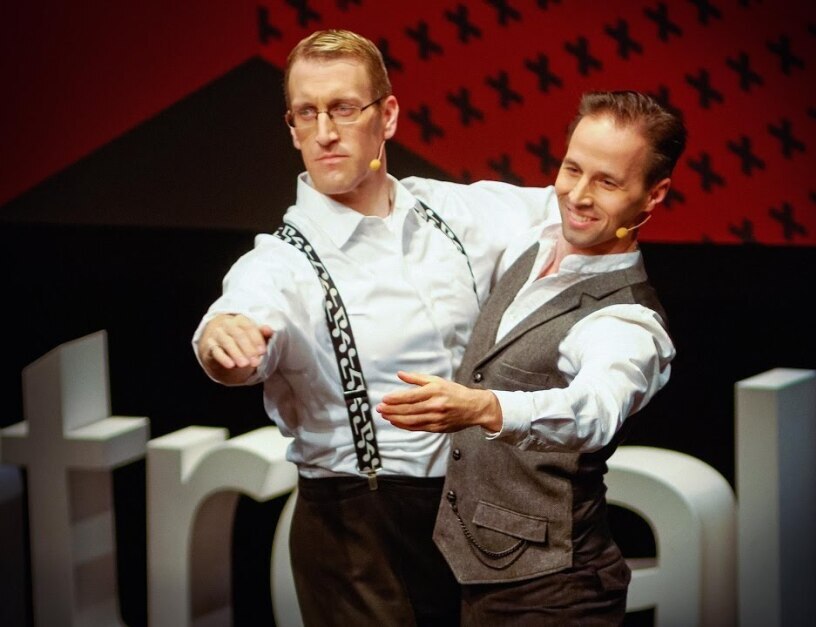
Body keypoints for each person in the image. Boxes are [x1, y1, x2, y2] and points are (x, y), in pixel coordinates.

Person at [191, 29, 556, 626]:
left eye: (342, 108)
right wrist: (222, 340)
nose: (324, 132)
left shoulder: (453, 214)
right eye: (306, 113)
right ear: (292, 128)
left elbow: (575, 210)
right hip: (358, 535)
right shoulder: (282, 263)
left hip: (475, 515)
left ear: (386, 116)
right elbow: (240, 319)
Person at [378, 91, 683, 625]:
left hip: (554, 592)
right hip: (473, 570)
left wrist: (485, 407)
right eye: (572, 169)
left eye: (607, 182)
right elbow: (430, 201)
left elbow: (595, 410)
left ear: (653, 195)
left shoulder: (627, 320)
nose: (578, 195)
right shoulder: (534, 240)